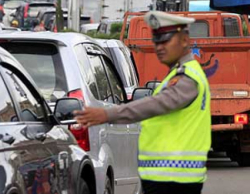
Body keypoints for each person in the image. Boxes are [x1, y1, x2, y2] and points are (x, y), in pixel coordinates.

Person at [74, 11, 210, 194]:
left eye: (165, 41)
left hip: (175, 180)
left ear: (184, 40)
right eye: (156, 42)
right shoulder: (177, 75)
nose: (159, 47)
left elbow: (156, 104)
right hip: (167, 178)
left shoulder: (187, 78)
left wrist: (107, 114)